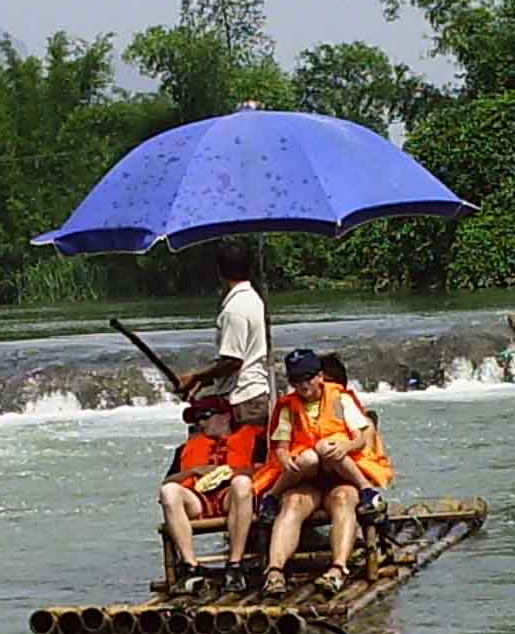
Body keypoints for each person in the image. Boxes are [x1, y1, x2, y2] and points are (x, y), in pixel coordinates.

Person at [255, 348, 394, 598]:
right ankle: (275, 571)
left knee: (342, 498)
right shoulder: (288, 407)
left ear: (320, 377)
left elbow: (361, 437)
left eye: (307, 378)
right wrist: (285, 459)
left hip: (341, 473)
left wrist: (347, 446)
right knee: (294, 502)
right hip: (305, 476)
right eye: (296, 380)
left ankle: (338, 569)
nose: (303, 385)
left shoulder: (341, 399)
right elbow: (281, 445)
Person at [158, 396, 267, 593]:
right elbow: (167, 481)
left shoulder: (254, 438)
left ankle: (235, 565)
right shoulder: (187, 447)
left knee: (242, 484)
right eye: (198, 419)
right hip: (198, 500)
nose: (201, 423)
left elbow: (265, 470)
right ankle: (191, 567)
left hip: (230, 496)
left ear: (225, 417)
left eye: (205, 416)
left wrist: (230, 471)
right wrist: (193, 472)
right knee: (169, 492)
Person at [175, 243, 271, 429]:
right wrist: (203, 381)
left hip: (242, 399)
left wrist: (195, 377)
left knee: (237, 453)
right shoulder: (254, 299)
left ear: (219, 272)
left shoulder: (234, 310)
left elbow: (233, 361)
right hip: (256, 394)